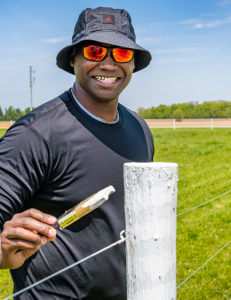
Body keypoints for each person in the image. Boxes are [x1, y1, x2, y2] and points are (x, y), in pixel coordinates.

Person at [0, 7, 154, 299]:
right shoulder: (35, 133)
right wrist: (3, 254)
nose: (108, 64)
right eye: (95, 52)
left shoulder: (139, 128)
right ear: (74, 59)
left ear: (133, 64)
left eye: (121, 54)